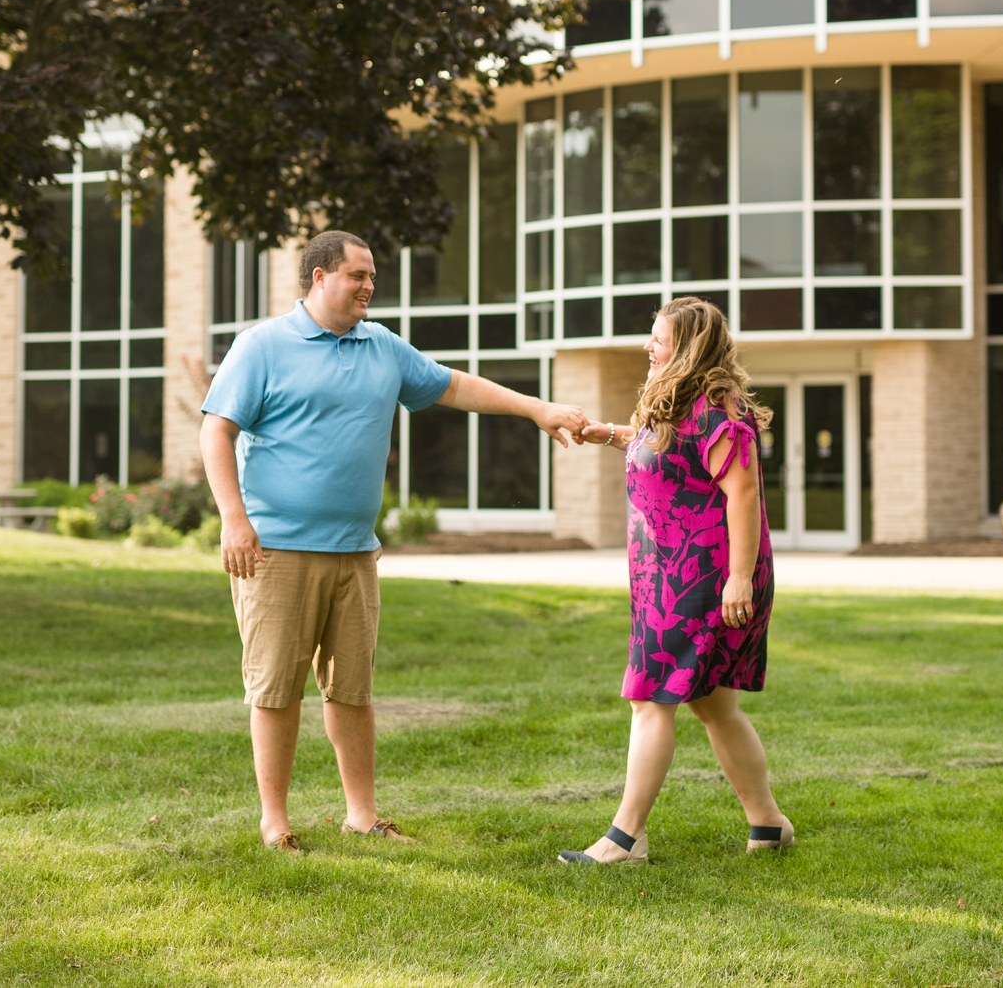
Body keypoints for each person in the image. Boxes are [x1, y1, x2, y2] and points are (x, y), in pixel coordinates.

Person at [200, 229, 590, 853]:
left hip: (355, 550)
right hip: (277, 551)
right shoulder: (262, 347)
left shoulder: (380, 346)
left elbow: (456, 387)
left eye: (373, 276)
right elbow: (216, 433)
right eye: (358, 275)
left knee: (352, 691)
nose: (369, 286)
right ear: (320, 276)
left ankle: (361, 815)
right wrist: (234, 519)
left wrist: (537, 408)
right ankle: (275, 823)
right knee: (276, 691)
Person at [559, 296, 791, 865]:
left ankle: (626, 836)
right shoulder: (676, 400)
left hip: (703, 578)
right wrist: (608, 433)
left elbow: (743, 493)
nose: (648, 346)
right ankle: (768, 825)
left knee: (650, 699)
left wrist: (739, 579)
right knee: (714, 706)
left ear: (685, 348)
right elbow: (664, 450)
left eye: (658, 339)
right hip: (667, 575)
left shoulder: (718, 410)